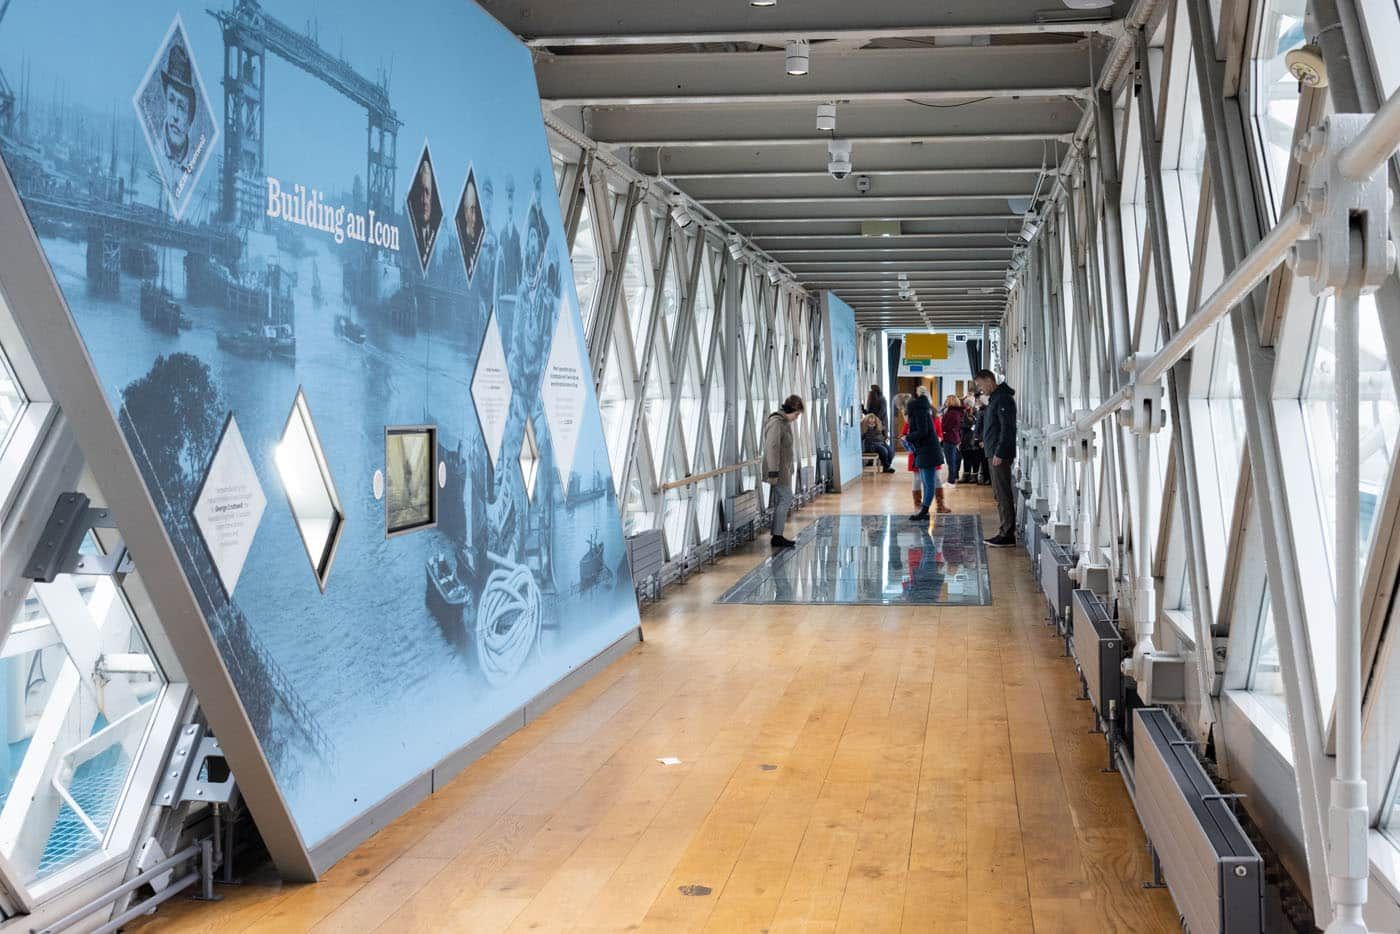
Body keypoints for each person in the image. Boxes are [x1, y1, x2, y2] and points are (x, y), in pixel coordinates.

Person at [975, 369, 1018, 545]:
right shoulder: (996, 399)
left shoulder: (1002, 399)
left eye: (980, 384)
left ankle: (1007, 533)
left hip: (999, 454)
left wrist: (999, 451)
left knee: (1002, 493)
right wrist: (988, 442)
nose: (980, 389)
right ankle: (1005, 530)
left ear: (988, 380)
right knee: (999, 494)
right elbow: (995, 426)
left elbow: (1007, 428)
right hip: (993, 451)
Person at [761, 394, 805, 548]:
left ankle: (777, 534)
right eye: (797, 414)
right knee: (786, 498)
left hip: (783, 469)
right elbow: (772, 448)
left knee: (783, 499)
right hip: (777, 470)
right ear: (791, 409)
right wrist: (773, 471)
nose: (797, 417)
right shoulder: (776, 423)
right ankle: (777, 536)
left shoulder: (784, 423)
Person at [904, 386, 947, 522]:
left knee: (929, 483)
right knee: (925, 481)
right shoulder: (922, 411)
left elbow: (923, 432)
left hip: (928, 452)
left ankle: (924, 510)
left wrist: (908, 437)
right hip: (925, 451)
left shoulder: (919, 412)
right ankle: (924, 509)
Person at [893, 393, 921, 512]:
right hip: (915, 451)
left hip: (920, 450)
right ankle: (918, 504)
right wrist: (903, 436)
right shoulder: (910, 415)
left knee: (922, 478)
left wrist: (907, 437)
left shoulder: (913, 414)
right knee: (918, 477)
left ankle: (919, 505)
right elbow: (906, 430)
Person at [940, 395, 964, 488]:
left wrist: (941, 424)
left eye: (946, 400)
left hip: (950, 438)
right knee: (954, 459)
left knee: (951, 461)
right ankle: (954, 477)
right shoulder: (956, 412)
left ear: (950, 402)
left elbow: (945, 426)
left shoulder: (951, 413)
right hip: (954, 437)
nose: (945, 402)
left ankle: (951, 481)